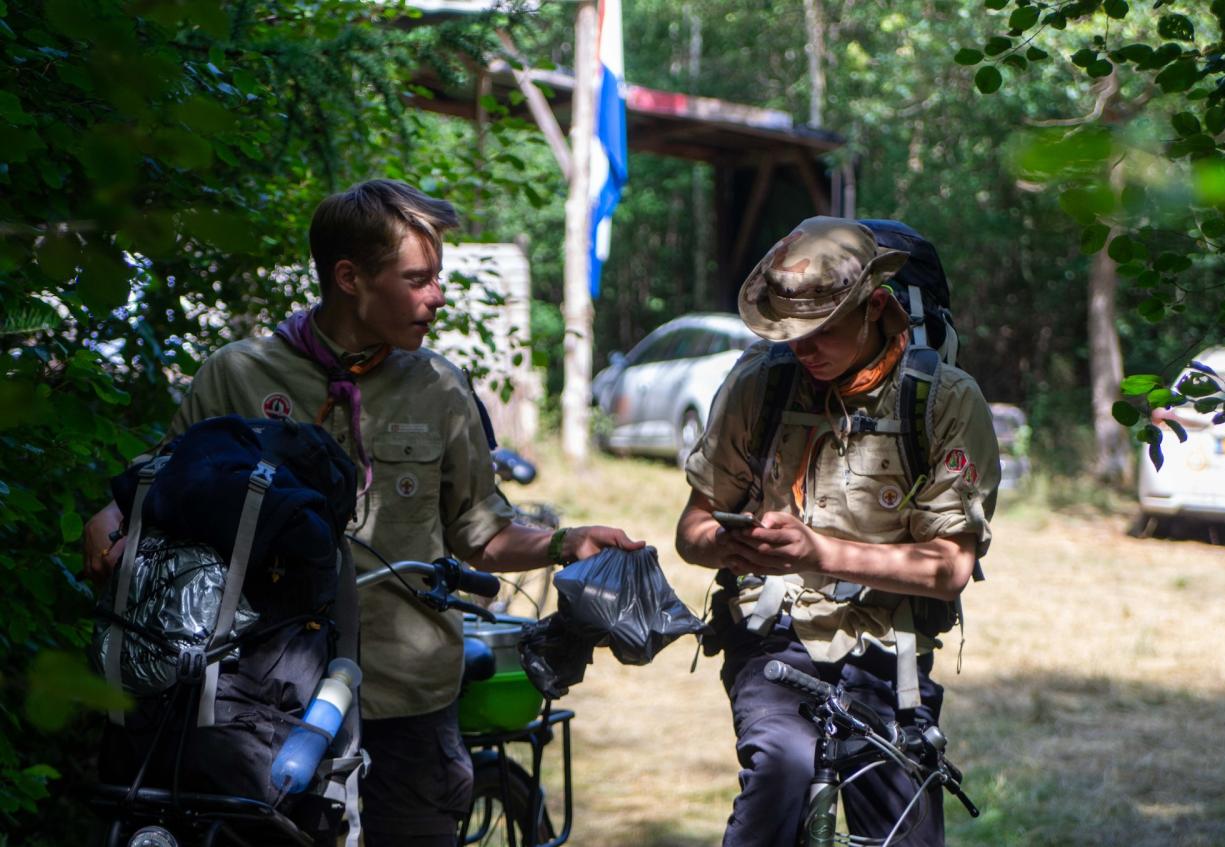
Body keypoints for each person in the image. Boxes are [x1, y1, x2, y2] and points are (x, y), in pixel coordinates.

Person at [83, 178, 644, 847]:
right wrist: (112, 515)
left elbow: (481, 531)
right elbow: (165, 494)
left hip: (405, 701)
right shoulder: (237, 376)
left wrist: (565, 542)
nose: (438, 296)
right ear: (349, 277)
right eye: (419, 279)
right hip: (263, 705)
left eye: (437, 277)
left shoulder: (439, 386)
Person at [675, 217, 999, 846]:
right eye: (789, 334)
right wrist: (726, 542)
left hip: (889, 652)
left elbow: (948, 568)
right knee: (781, 771)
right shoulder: (759, 383)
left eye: (820, 332)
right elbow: (691, 528)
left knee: (902, 832)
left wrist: (820, 551)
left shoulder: (944, 402)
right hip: (777, 639)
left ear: (875, 306)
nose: (802, 350)